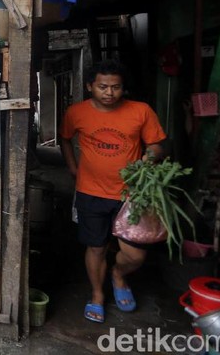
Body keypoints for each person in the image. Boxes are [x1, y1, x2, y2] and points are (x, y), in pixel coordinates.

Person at [58, 60, 166, 324]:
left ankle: (118, 273)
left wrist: (147, 159)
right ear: (90, 86)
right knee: (95, 247)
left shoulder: (141, 111)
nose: (109, 93)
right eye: (103, 87)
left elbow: (156, 144)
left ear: (123, 88)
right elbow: (65, 138)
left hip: (131, 195)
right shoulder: (76, 112)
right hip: (90, 192)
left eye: (116, 87)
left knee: (135, 254)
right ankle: (96, 295)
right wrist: (73, 168)